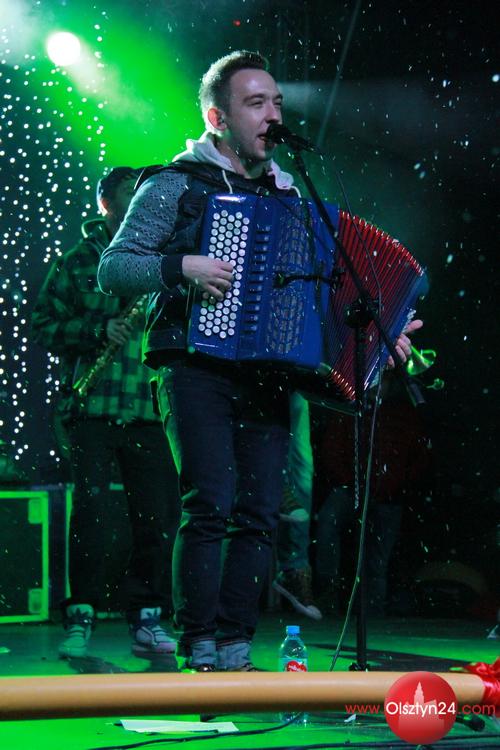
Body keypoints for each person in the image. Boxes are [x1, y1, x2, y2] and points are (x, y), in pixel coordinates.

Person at [97, 51, 421, 671]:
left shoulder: (291, 195)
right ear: (217, 118)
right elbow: (115, 268)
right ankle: (199, 647)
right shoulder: (176, 183)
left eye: (276, 102)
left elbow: (325, 298)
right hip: (194, 367)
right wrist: (182, 266)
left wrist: (380, 335)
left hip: (268, 374)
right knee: (209, 503)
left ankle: (236, 648)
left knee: (259, 513)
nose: (273, 115)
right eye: (255, 103)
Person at [31, 167, 179, 659]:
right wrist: (98, 329)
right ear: (106, 206)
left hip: (149, 408)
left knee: (157, 517)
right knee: (91, 515)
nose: (138, 203)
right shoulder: (76, 261)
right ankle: (81, 615)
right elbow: (43, 324)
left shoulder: (163, 258)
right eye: (127, 196)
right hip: (91, 407)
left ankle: (148, 616)